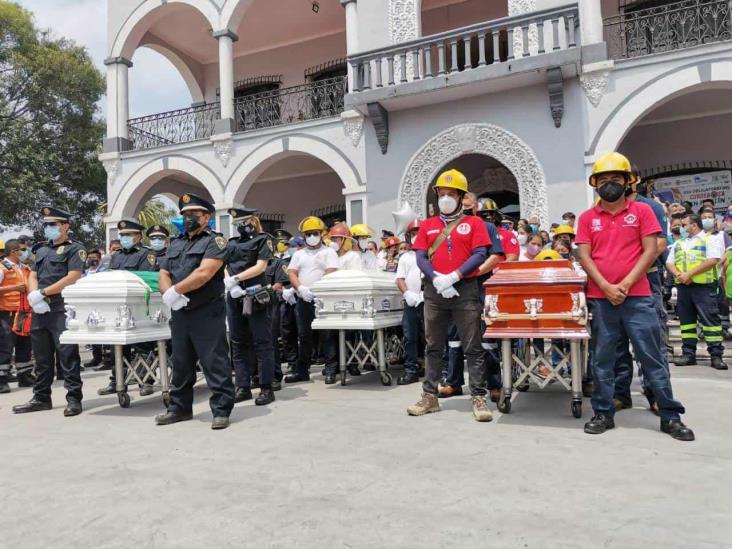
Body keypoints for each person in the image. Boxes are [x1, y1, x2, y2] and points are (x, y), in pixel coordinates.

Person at [576, 152, 694, 441]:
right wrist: (605, 286)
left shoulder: (642, 212)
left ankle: (670, 415)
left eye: (615, 179)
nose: (609, 184)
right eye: (603, 179)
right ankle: (603, 412)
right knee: (603, 360)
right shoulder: (587, 217)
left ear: (628, 182)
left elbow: (650, 249)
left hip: (638, 296)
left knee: (652, 357)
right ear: (595, 184)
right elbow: (584, 254)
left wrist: (625, 284)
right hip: (602, 299)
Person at [406, 169, 492, 422]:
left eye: (451, 194)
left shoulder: (474, 223)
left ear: (461, 196)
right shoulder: (428, 225)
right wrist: (436, 278)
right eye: (441, 193)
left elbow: (479, 254)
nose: (445, 198)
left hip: (464, 289)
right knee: (433, 345)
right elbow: (420, 256)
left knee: (473, 345)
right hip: (434, 291)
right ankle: (429, 396)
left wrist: (454, 276)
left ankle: (478, 396)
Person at [154, 193, 235, 430]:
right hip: (180, 311)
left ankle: (221, 410)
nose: (188, 218)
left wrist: (175, 291)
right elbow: (164, 272)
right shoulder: (176, 243)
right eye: (185, 214)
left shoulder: (215, 241)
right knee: (180, 361)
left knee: (214, 361)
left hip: (206, 310)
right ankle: (179, 408)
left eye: (193, 214)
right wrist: (168, 293)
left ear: (206, 217)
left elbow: (205, 273)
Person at [13, 207, 86, 417]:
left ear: (65, 226)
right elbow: (32, 275)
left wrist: (44, 293)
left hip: (61, 307)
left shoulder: (75, 249)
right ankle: (41, 397)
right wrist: (35, 295)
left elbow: (73, 276)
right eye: (46, 225)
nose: (49, 228)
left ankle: (74, 399)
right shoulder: (42, 250)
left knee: (67, 354)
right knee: (42, 356)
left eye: (53, 225)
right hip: (39, 307)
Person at [224, 207, 278, 405]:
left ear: (252, 221)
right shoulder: (231, 243)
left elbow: (261, 266)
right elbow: (223, 264)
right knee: (237, 342)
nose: (240, 226)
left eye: (243, 222)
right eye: (237, 223)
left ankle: (266, 387)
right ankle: (242, 386)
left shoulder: (263, 239)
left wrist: (237, 278)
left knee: (262, 342)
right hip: (235, 295)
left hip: (256, 294)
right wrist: (231, 283)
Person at [97, 219, 151, 397]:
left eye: (128, 235)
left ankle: (146, 380)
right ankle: (117, 380)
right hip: (118, 306)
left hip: (138, 305)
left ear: (138, 236)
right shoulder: (117, 255)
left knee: (142, 344)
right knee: (117, 346)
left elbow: (145, 277)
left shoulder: (146, 254)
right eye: (122, 235)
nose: (124, 238)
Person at [666, 214, 727, 370]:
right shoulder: (679, 243)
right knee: (686, 322)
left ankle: (716, 355)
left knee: (710, 322)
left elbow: (713, 260)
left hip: (703, 288)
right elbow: (669, 262)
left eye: (684, 225)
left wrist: (689, 274)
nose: (682, 228)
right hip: (683, 287)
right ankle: (688, 354)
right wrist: (680, 275)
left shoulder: (709, 239)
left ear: (693, 225)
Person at [287, 216, 339, 384]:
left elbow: (331, 271)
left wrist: (316, 288)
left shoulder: (329, 252)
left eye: (314, 233)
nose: (311, 236)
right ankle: (302, 371)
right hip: (304, 298)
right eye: (308, 234)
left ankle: (331, 369)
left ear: (321, 234)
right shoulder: (299, 254)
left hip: (323, 298)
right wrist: (301, 288)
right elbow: (292, 273)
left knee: (327, 334)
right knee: (304, 335)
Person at [0, 239, 33, 393]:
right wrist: (14, 287)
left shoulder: (25, 268)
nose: (25, 251)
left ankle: (24, 376)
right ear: (14, 251)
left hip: (23, 313)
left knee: (24, 344)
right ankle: (1, 380)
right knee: (5, 346)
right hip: (7, 313)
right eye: (23, 249)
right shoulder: (2, 267)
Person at [396, 219, 425, 385]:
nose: (416, 236)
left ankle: (437, 370)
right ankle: (410, 370)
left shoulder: (430, 254)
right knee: (410, 336)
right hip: (411, 300)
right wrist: (407, 293)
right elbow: (399, 279)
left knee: (431, 337)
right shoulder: (405, 257)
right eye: (413, 234)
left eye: (419, 233)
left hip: (427, 299)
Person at [269, 229, 297, 379]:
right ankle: (280, 360)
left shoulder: (292, 258)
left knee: (287, 331)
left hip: (286, 299)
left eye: (284, 242)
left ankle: (293, 362)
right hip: (273, 300)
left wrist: (290, 291)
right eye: (279, 243)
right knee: (274, 334)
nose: (282, 245)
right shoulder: (272, 259)